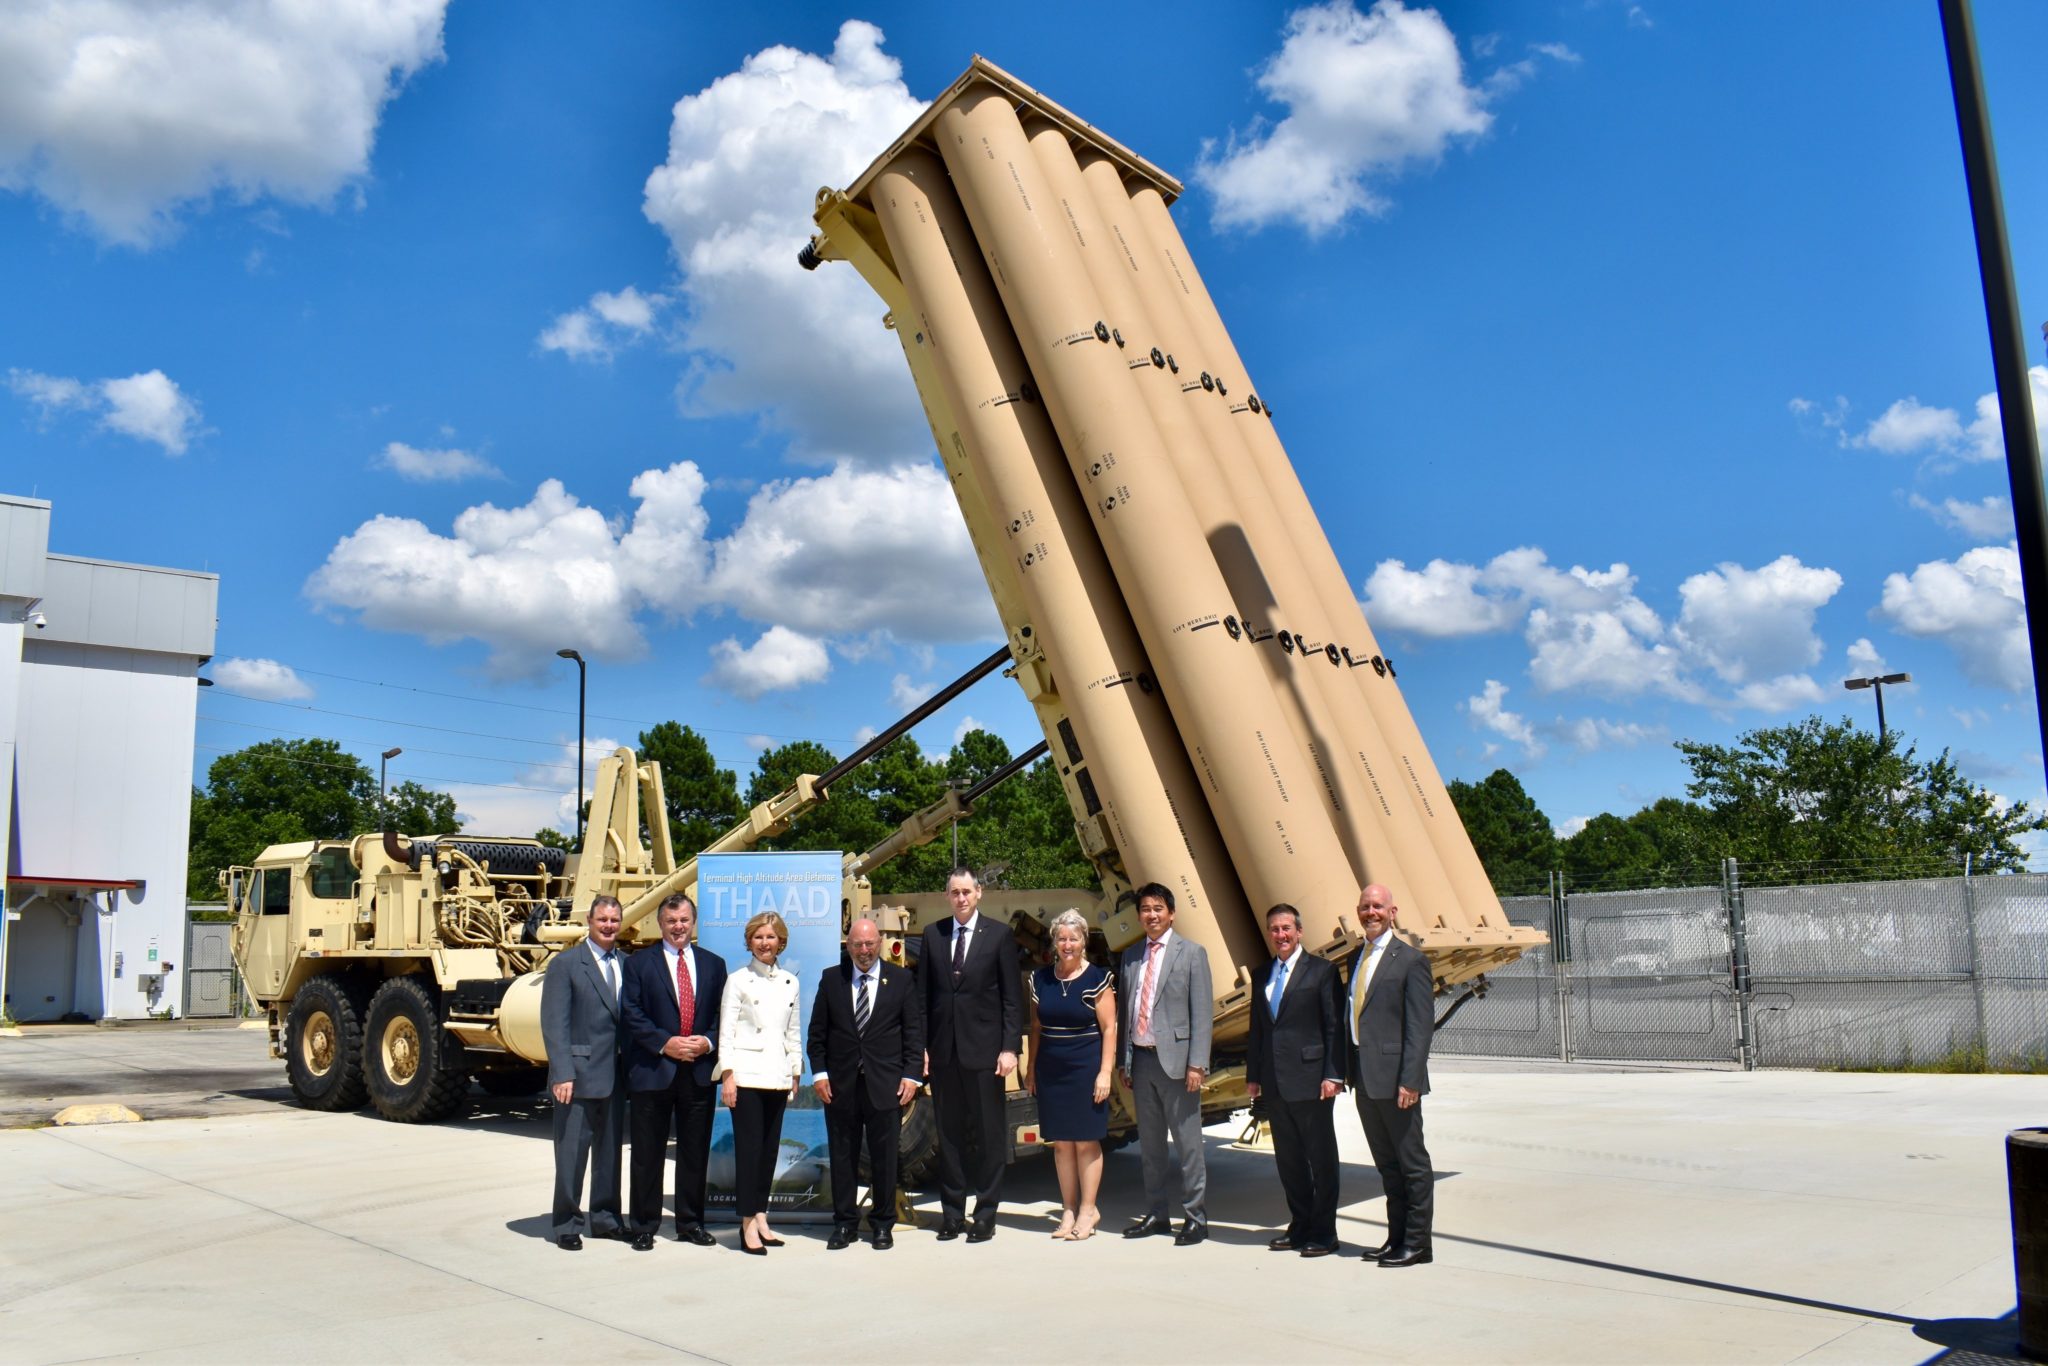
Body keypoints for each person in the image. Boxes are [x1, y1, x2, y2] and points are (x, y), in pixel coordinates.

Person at [919, 866, 1023, 1242]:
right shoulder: (933, 935)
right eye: (954, 892)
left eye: (967, 891)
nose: (961, 898)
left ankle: (985, 1213)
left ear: (979, 893)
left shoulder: (999, 935)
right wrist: (923, 1048)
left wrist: (1010, 1047)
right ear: (947, 896)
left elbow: (1013, 999)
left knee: (988, 1135)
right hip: (944, 1054)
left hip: (985, 1054)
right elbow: (923, 999)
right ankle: (951, 1214)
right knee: (948, 1136)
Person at [807, 917, 924, 1251]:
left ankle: (883, 1224)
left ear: (880, 942)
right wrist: (819, 1074)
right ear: (848, 945)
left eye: (870, 943)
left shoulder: (901, 980)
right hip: (840, 1087)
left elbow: (913, 1034)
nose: (864, 950)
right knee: (842, 1156)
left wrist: (911, 1075)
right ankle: (844, 1224)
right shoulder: (832, 979)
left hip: (885, 1085)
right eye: (857, 944)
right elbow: (817, 1035)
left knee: (885, 1158)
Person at [620, 894, 728, 1252]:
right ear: (660, 924)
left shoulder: (714, 965)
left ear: (693, 922)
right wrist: (665, 1043)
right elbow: (632, 1013)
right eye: (671, 921)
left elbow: (721, 1016)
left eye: (683, 920)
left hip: (698, 1071)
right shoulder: (638, 964)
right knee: (647, 1152)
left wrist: (708, 1043)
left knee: (695, 1152)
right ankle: (644, 1225)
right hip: (654, 1070)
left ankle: (690, 1223)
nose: (678, 927)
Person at [1245, 903, 1345, 1258]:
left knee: (1320, 1158)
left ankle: (1325, 1231)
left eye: (1286, 928)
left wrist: (1334, 1073)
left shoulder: (1322, 972)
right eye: (1274, 929)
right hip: (1274, 1082)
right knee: (1288, 1159)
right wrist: (1253, 1075)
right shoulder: (1261, 975)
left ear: (1299, 931)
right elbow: (1258, 1028)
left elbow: (1335, 1028)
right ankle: (1300, 1224)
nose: (1281, 935)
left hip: (1313, 1080)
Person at [1116, 882, 1213, 1246]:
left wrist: (1197, 1064)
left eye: (1158, 908)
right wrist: (1125, 1062)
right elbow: (1128, 1011)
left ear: (1171, 913)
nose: (1151, 915)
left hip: (1177, 1065)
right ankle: (1156, 1214)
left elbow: (1201, 1014)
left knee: (1189, 1146)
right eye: (1145, 909)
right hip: (1141, 1063)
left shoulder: (1191, 953)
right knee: (1151, 1147)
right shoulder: (1131, 957)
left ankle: (1195, 1218)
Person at [1348, 883, 1436, 1268]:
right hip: (1365, 1079)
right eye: (1365, 906)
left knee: (1411, 1163)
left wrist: (1411, 1080)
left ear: (1393, 911)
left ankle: (1417, 1244)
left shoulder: (1411, 960)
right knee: (1387, 1165)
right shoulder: (1356, 957)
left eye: (1378, 906)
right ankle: (1396, 1237)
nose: (1371, 912)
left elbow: (1420, 1027)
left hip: (1397, 1081)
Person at [539, 893, 628, 1250]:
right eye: (602, 919)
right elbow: (554, 1023)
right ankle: (566, 1224)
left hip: (617, 1076)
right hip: (576, 1076)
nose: (608, 926)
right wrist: (562, 1072)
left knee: (609, 1155)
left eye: (614, 920)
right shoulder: (567, 964)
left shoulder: (626, 962)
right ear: (590, 922)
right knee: (572, 1155)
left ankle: (605, 1219)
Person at [718, 910, 803, 1256]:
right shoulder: (738, 980)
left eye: (770, 937)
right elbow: (726, 1031)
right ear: (749, 941)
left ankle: (762, 1216)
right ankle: (746, 1224)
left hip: (779, 1076)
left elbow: (793, 1031)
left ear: (780, 941)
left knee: (769, 1153)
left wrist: (796, 1070)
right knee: (749, 1153)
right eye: (758, 937)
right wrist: (728, 1075)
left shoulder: (790, 982)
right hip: (747, 1076)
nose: (764, 943)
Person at [1027, 909, 1116, 1241]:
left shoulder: (1097, 979)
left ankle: (1087, 1210)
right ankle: (1067, 1209)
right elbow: (1036, 1025)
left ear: (1084, 941)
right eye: (1062, 938)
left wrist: (1104, 1072)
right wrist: (1031, 1067)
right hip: (1051, 1068)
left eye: (1074, 938)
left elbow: (1109, 1028)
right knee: (1062, 1143)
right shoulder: (1040, 979)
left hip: (1086, 1067)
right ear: (1055, 941)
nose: (1068, 944)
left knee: (1085, 1141)